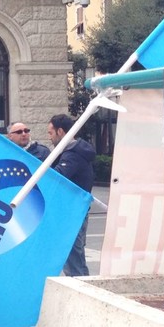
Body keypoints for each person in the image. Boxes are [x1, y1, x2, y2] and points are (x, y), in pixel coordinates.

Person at [48, 114, 95, 277]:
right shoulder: (73, 151)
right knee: (73, 254)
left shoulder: (72, 154)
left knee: (73, 256)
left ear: (60, 131)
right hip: (75, 210)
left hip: (71, 211)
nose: (50, 137)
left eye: (51, 133)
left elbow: (57, 177)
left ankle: (81, 286)